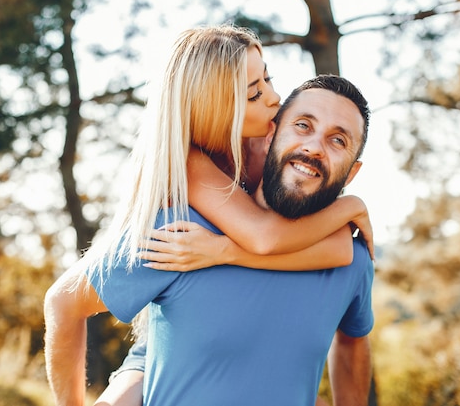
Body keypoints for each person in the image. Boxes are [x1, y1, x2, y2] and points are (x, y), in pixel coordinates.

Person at [44, 25, 373, 405]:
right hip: (160, 359)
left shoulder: (344, 246)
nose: (274, 98)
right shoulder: (185, 208)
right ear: (222, 111)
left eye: (267, 79)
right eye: (254, 93)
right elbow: (265, 237)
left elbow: (341, 257)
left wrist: (223, 251)